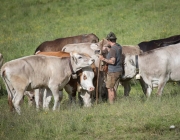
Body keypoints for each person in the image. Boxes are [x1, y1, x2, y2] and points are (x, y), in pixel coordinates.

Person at [98, 32, 122, 104]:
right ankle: (114, 102)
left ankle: (111, 104)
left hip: (113, 72)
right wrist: (108, 50)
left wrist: (103, 59)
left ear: (109, 40)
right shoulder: (118, 46)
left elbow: (112, 61)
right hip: (119, 70)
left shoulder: (113, 50)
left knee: (109, 88)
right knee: (113, 87)